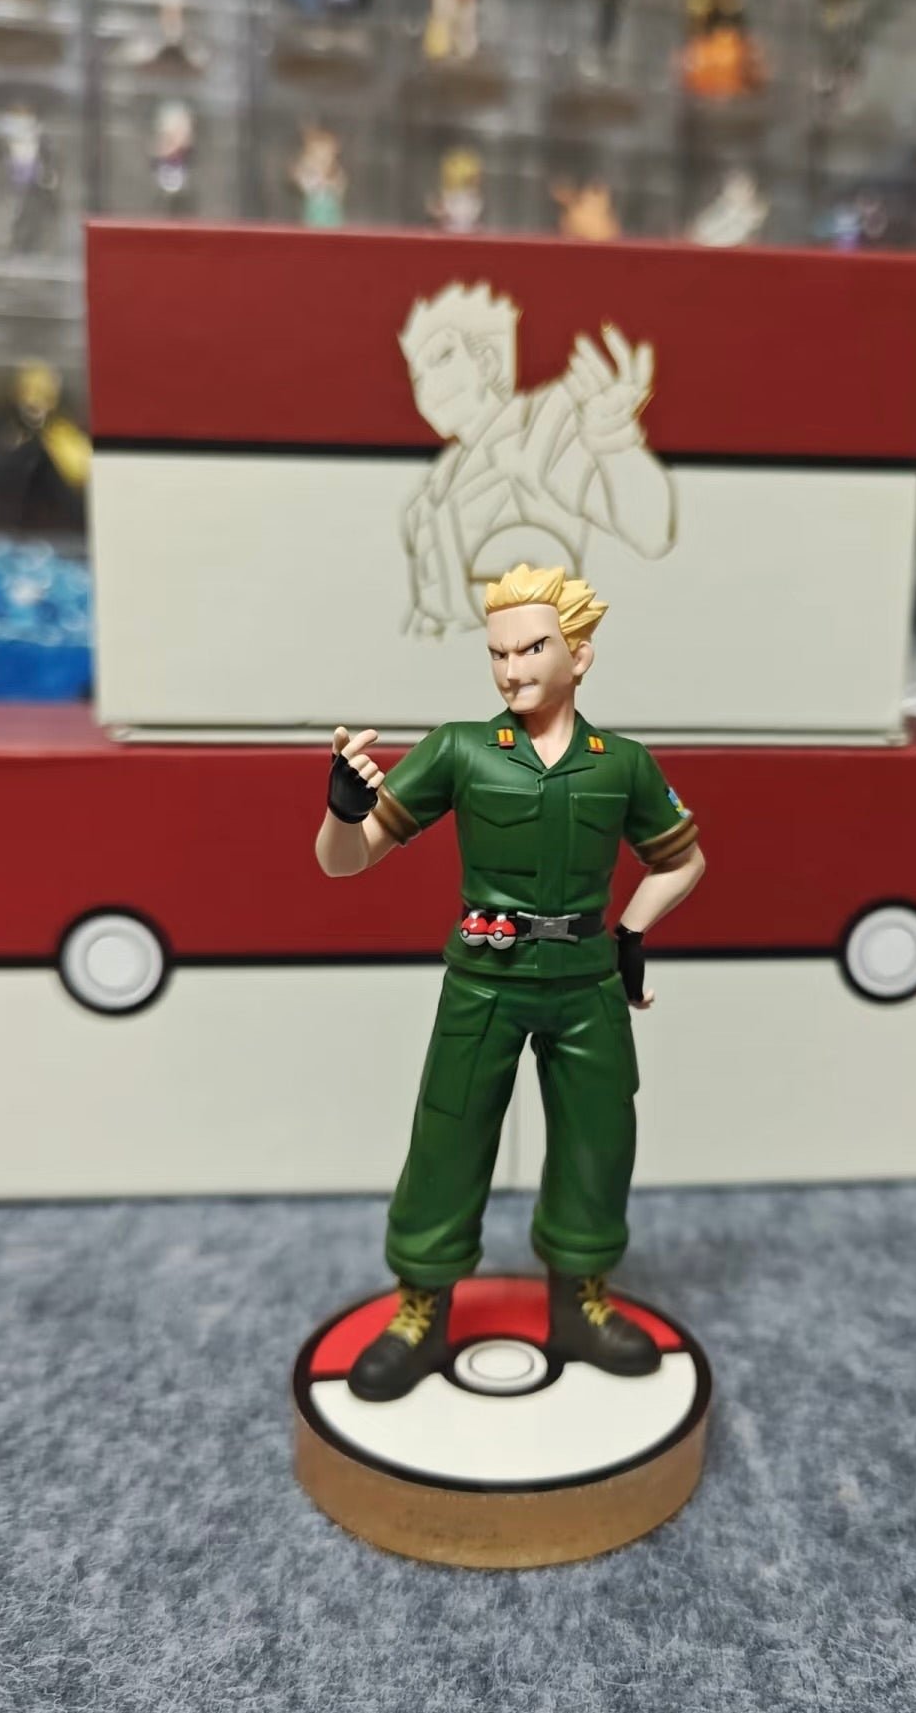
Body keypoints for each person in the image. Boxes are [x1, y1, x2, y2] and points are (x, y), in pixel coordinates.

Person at [315, 562, 706, 1402]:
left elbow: (683, 860)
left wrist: (632, 932)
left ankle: (580, 1300)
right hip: (484, 980)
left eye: (532, 648)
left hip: (585, 982)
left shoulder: (622, 763)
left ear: (580, 655)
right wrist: (342, 811)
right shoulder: (460, 748)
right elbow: (346, 862)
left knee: (600, 1137)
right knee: (448, 1136)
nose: (511, 669)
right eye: (497, 652)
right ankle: (421, 1305)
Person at [398, 283, 674, 636]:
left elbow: (650, 531)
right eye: (417, 374)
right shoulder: (432, 489)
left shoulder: (544, 426)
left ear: (486, 360)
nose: (427, 386)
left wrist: (614, 439)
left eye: (441, 357)